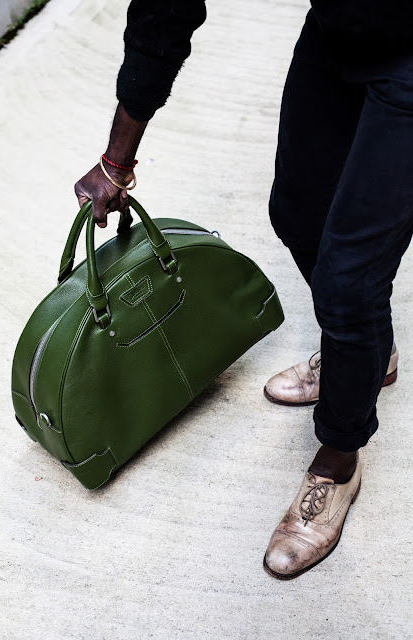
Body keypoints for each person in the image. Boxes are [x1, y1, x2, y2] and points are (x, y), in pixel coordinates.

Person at [75, 1, 413, 580]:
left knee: (349, 281)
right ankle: (370, 354)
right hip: (342, 28)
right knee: (296, 214)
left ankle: (337, 461)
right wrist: (116, 159)